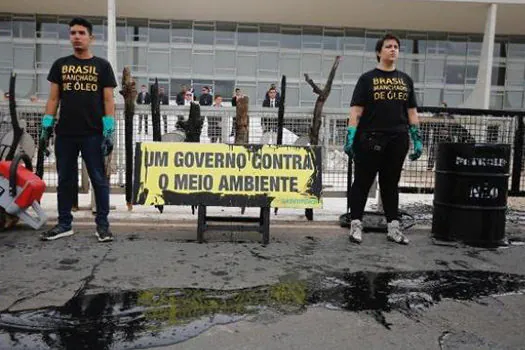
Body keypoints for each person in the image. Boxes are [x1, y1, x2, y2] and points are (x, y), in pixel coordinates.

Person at [40, 17, 117, 242]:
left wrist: (108, 131)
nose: (76, 37)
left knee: (98, 179)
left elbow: (108, 100)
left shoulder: (102, 66)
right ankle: (64, 224)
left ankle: (103, 225)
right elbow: (53, 99)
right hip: (65, 134)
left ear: (90, 37)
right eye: (73, 33)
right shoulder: (60, 65)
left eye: (81, 33)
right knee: (65, 179)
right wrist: (46, 127)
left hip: (93, 133)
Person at [344, 33, 423, 245]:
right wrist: (350, 136)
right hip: (370, 138)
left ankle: (393, 228)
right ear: (379, 52)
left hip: (397, 139)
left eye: (396, 46)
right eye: (388, 46)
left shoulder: (405, 80)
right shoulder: (367, 79)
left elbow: (412, 112)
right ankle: (356, 225)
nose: (393, 49)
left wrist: (417, 139)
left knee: (390, 184)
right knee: (362, 182)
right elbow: (356, 111)